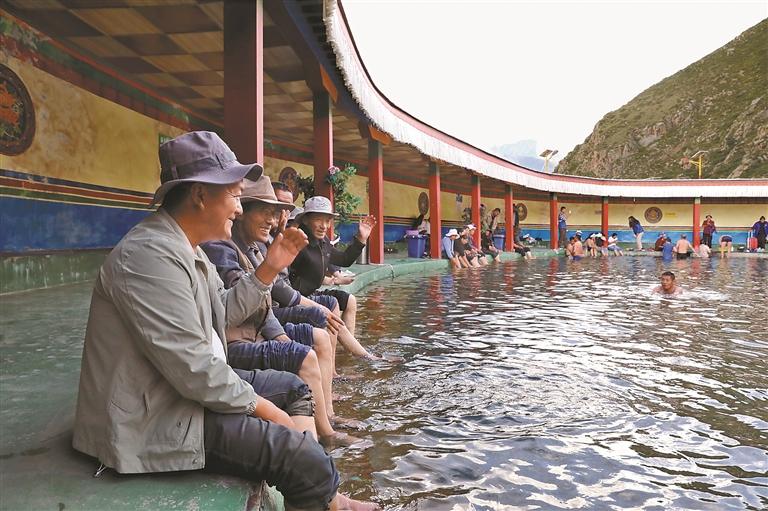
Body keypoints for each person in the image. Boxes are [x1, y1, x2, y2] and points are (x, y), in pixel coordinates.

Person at [72, 131, 377, 511]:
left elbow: (224, 310)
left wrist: (268, 269)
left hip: (180, 396)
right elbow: (194, 370)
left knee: (296, 392)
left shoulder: (187, 250)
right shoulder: (149, 256)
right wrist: (271, 413)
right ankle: (317, 482)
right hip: (154, 418)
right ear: (200, 195)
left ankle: (320, 489)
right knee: (296, 449)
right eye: (234, 195)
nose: (238, 209)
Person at [201, 175, 358, 447]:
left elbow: (262, 306)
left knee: (317, 336)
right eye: (265, 212)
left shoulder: (254, 247)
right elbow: (242, 306)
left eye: (275, 214)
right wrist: (271, 268)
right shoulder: (220, 247)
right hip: (235, 344)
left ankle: (328, 416)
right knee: (305, 356)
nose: (272, 221)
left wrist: (281, 338)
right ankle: (326, 434)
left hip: (258, 332)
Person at [289, 196, 379, 361]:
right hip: (298, 299)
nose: (324, 225)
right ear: (306, 220)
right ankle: (360, 357)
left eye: (327, 220)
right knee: (333, 308)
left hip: (312, 293)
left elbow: (344, 259)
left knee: (350, 300)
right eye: (318, 219)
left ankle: (347, 351)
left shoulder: (323, 241)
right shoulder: (298, 240)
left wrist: (361, 239)